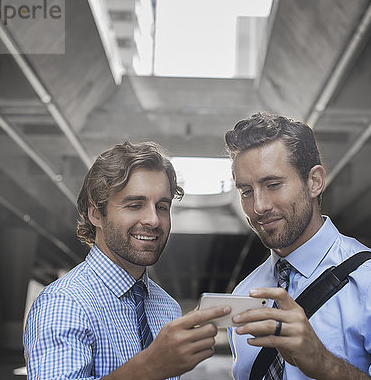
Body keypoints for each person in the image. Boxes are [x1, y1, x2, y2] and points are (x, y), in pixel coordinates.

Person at [224, 113, 371, 379]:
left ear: (314, 182)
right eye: (246, 191)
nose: (258, 206)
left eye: (272, 184)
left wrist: (325, 363)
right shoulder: (244, 293)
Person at [24, 141, 229, 380]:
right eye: (135, 205)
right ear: (96, 214)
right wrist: (149, 367)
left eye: (162, 206)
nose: (153, 220)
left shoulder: (167, 307)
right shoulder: (64, 304)